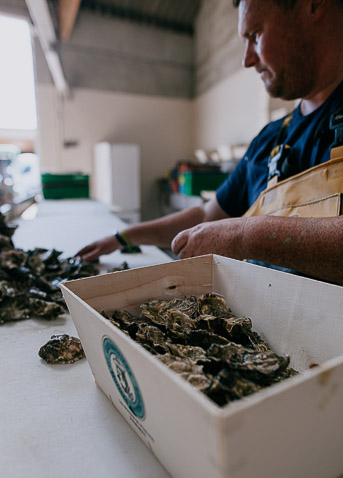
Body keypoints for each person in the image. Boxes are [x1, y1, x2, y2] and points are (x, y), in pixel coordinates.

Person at [78, 0, 343, 285]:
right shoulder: (271, 139)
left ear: (313, 5)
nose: (247, 60)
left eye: (255, 35)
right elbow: (207, 214)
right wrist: (124, 236)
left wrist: (243, 236)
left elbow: (233, 231)